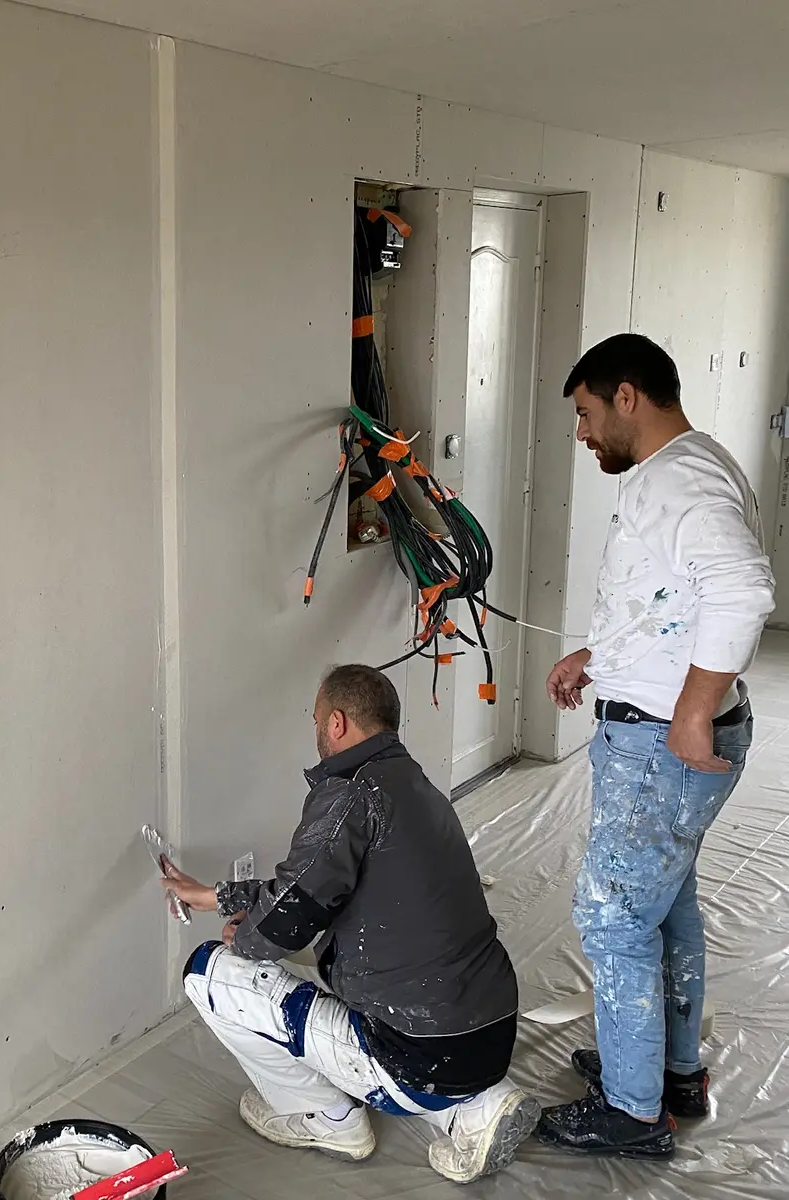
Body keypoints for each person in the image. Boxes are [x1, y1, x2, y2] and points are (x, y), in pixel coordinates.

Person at [537, 334, 776, 1158]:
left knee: (612, 918)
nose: (582, 433)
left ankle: (634, 1112)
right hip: (655, 727)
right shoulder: (686, 468)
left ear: (627, 397)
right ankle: (671, 1072)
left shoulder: (681, 481)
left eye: (585, 413)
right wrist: (597, 658)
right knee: (664, 905)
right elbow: (673, 602)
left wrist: (691, 712)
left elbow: (742, 590)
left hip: (656, 748)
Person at [160, 665, 537, 1184]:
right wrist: (217, 896)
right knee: (335, 960)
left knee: (208, 972)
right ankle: (474, 1107)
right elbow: (315, 885)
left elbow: (283, 922)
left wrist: (247, 936)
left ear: (336, 723)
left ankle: (329, 1119)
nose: (316, 729)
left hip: (416, 1049)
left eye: (317, 719)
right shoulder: (414, 785)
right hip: (487, 1032)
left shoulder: (350, 793)